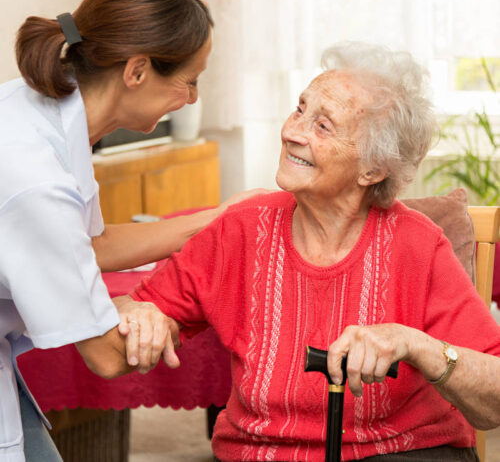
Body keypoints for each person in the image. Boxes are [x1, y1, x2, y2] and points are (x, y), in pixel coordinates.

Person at [126, 42, 500, 461]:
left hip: (400, 453)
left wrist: (415, 345)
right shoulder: (242, 229)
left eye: (323, 126)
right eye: (299, 109)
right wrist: (142, 313)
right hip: (261, 453)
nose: (291, 131)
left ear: (372, 169)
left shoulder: (418, 244)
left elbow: (495, 400)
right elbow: (130, 322)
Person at [0, 0, 262, 461]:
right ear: (137, 71)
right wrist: (150, 310)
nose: (192, 99)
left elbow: (90, 245)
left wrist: (215, 218)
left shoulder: (47, 114)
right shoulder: (36, 177)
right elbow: (104, 354)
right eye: (190, 81)